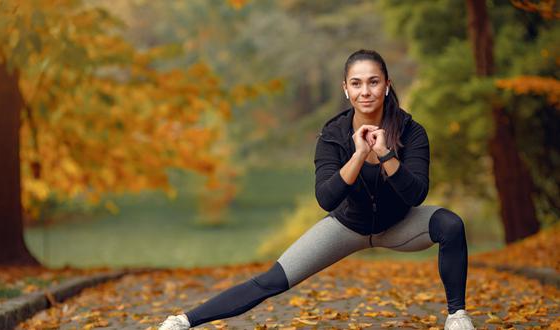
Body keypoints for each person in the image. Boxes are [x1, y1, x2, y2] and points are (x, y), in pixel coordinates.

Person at [158, 49, 476, 330]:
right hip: (346, 226)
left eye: (374, 82)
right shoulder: (333, 135)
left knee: (450, 224)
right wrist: (358, 156)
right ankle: (183, 321)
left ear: (387, 85)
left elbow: (416, 195)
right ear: (346, 89)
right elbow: (326, 198)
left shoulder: (410, 130)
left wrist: (385, 154)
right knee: (271, 281)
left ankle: (457, 316)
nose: (365, 91)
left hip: (400, 225)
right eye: (356, 83)